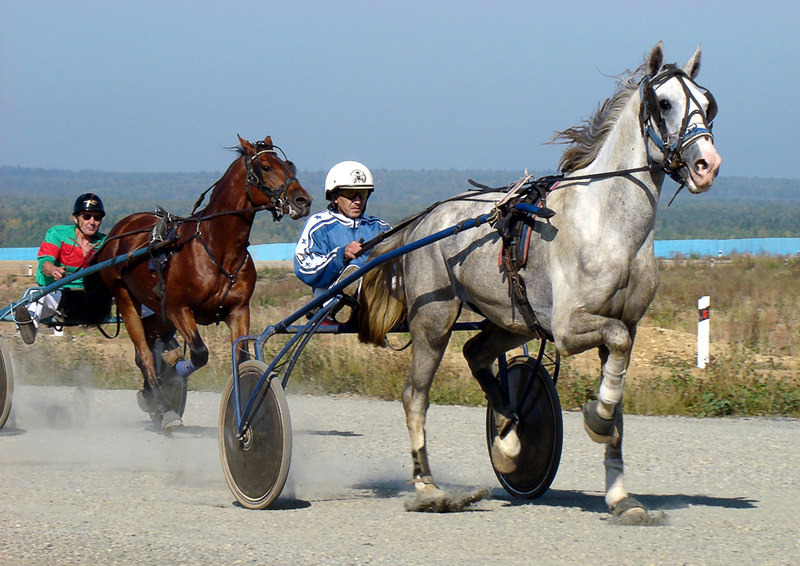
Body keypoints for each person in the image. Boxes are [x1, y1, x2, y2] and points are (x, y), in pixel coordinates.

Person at [294, 161, 390, 321]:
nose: (358, 200)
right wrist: (341, 256)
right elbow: (305, 269)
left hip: (376, 295)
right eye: (351, 194)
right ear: (335, 196)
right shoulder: (318, 224)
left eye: (363, 194)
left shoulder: (381, 228)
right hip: (328, 294)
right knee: (354, 268)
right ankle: (342, 301)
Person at [15, 193, 108, 345]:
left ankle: (158, 335)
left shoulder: (106, 242)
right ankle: (25, 333)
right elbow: (45, 263)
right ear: (75, 218)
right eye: (87, 216)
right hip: (59, 296)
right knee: (34, 295)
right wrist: (54, 270)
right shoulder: (57, 234)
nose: (92, 222)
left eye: (97, 218)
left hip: (91, 299)